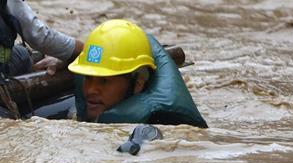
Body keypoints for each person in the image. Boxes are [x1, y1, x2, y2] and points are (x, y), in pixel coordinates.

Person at [67, 18, 207, 127]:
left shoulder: (156, 128)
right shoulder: (78, 110)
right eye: (88, 78)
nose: (91, 90)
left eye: (104, 81)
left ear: (138, 83)